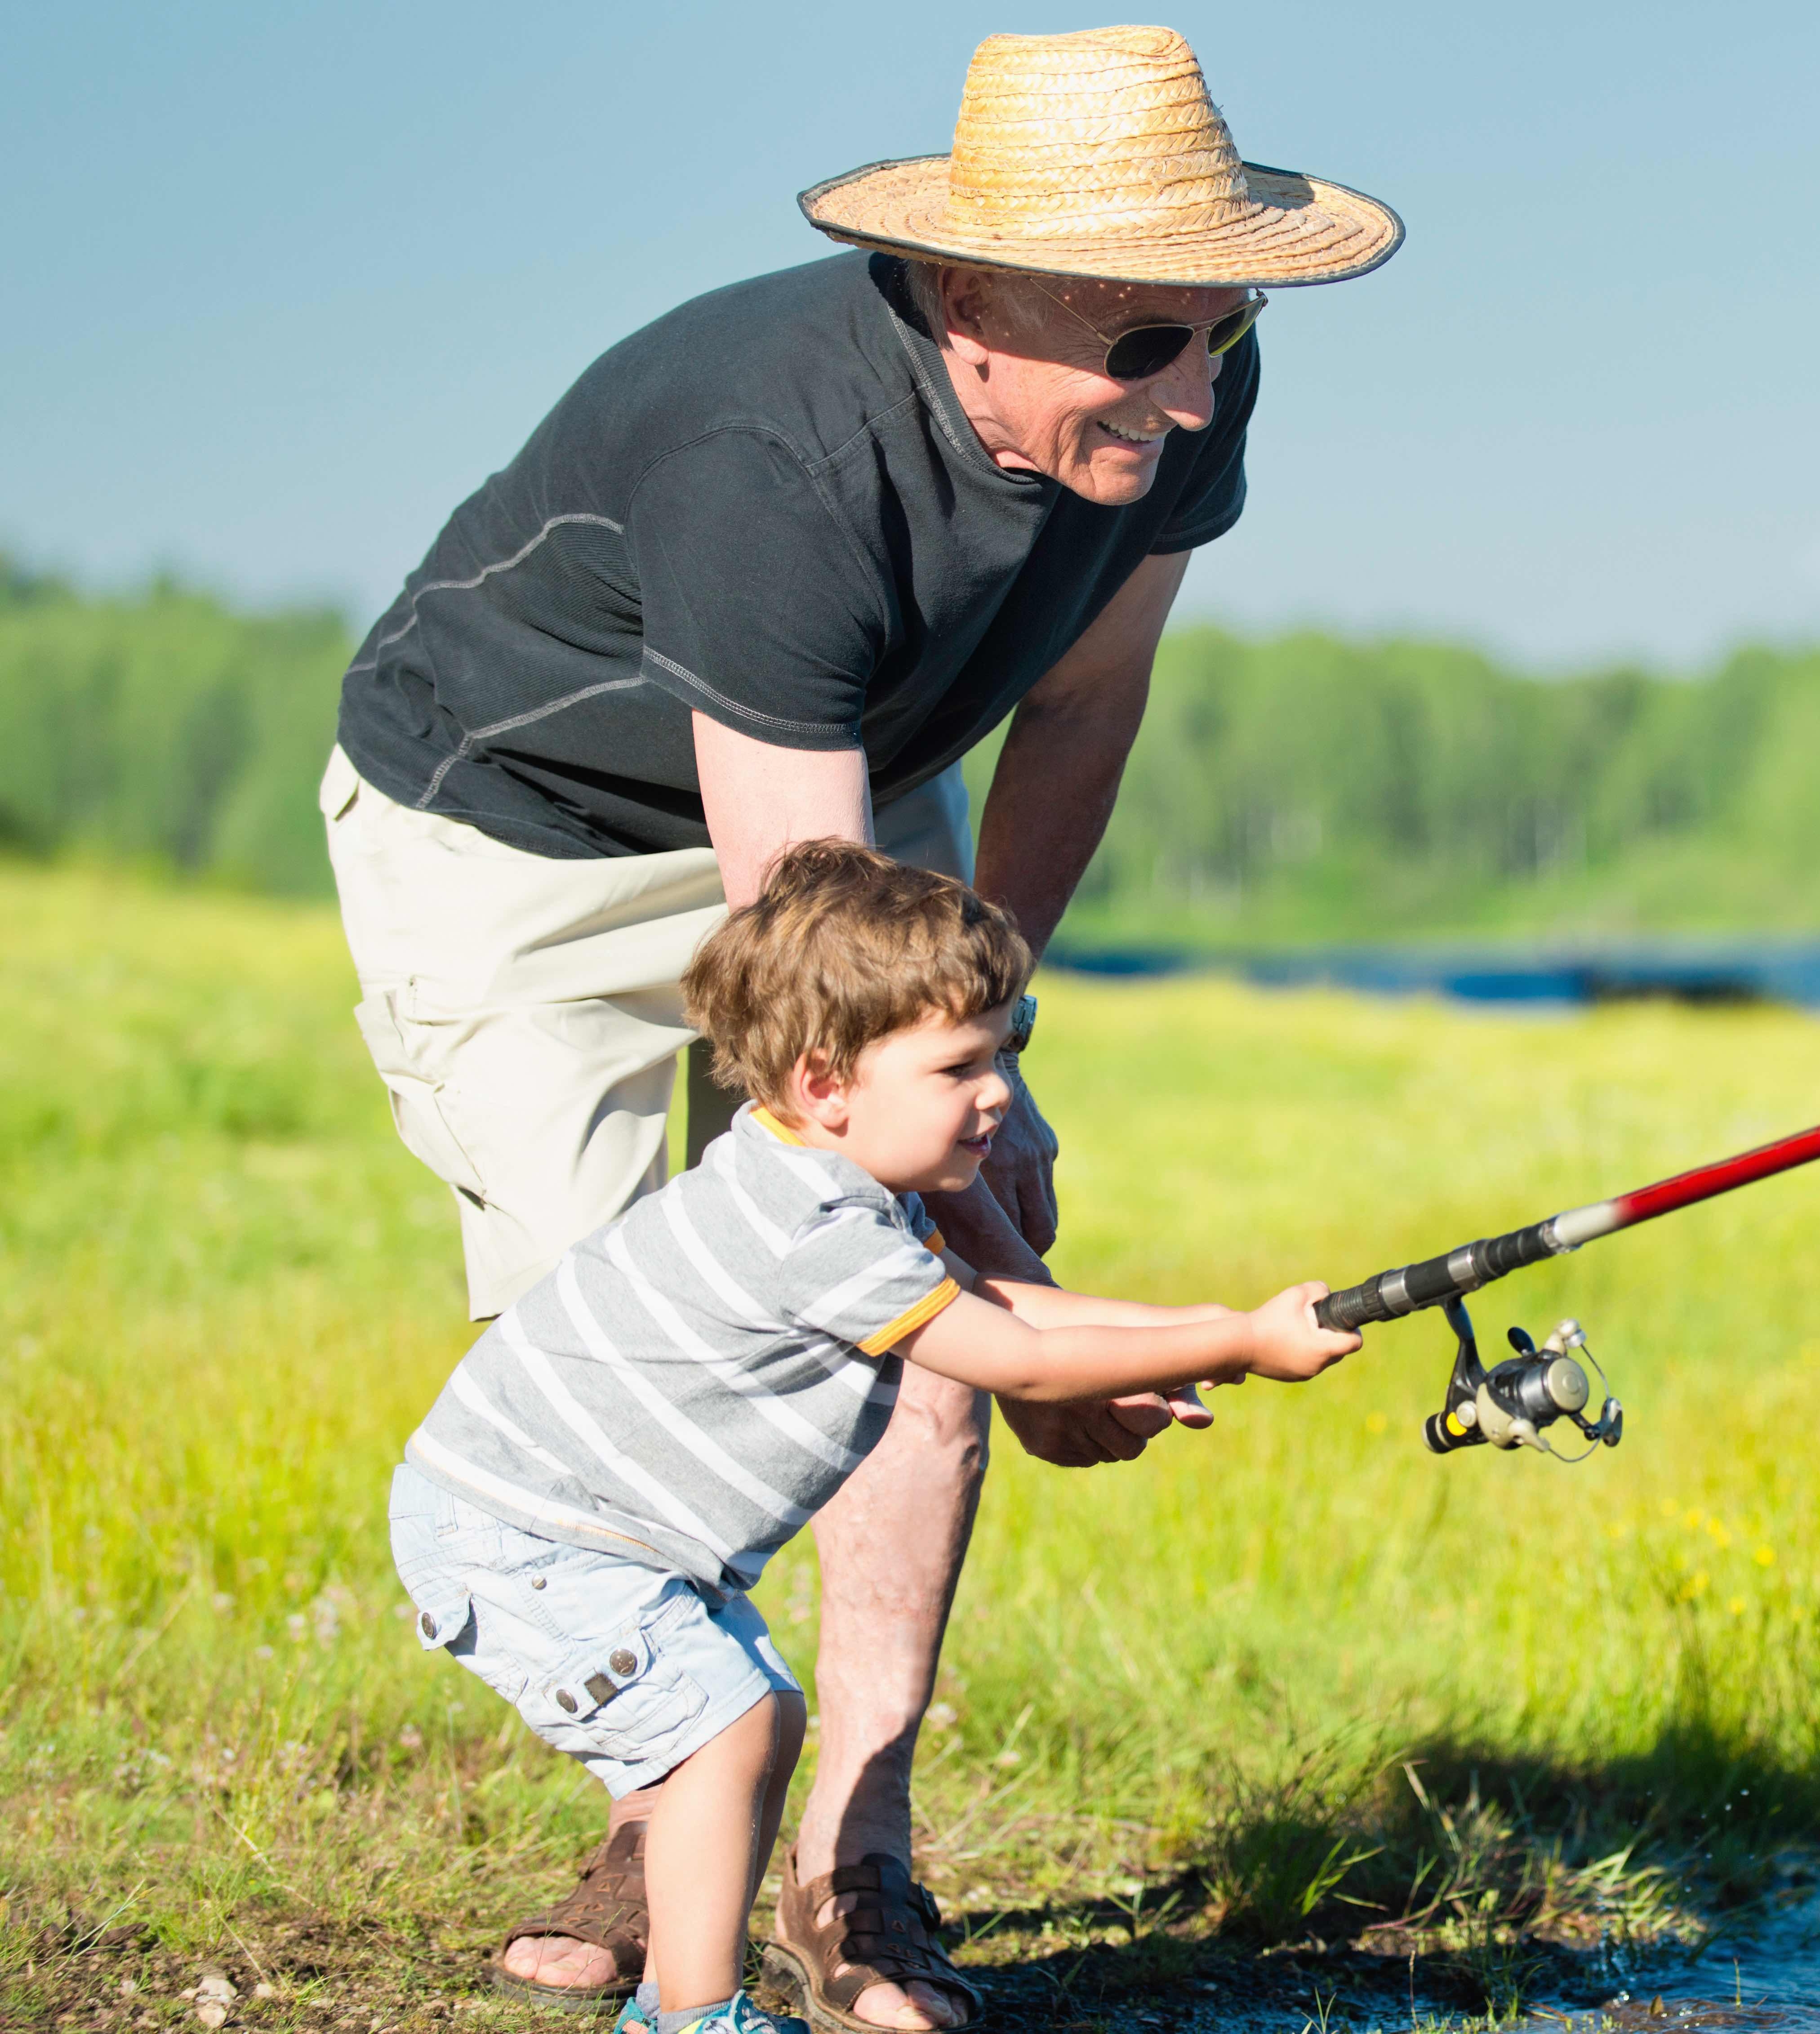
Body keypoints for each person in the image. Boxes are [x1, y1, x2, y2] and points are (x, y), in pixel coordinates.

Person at [321, 24, 1400, 2029]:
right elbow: (823, 1027)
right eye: (1141, 339)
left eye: (1221, 332)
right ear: (968, 298)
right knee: (676, 1309)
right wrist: (1009, 1295)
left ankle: (857, 1860)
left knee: (940, 1209)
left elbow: (1081, 703)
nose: (1185, 394)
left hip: (852, 785)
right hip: (522, 843)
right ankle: (668, 1797)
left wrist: (1010, 1052)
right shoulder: (777, 461)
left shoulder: (1189, 383)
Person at [390, 842, 1365, 2034]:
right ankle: (690, 2013)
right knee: (727, 1722)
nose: (997, 1091)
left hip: (579, 1530)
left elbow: (1016, 1309)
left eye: (1004, 1051)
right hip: (527, 1533)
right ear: (827, 1079)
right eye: (959, 1063)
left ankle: (685, 1997)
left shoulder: (836, 1180)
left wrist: (1230, 1327)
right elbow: (1013, 1357)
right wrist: (1235, 1340)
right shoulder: (809, 1223)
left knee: (758, 1711)